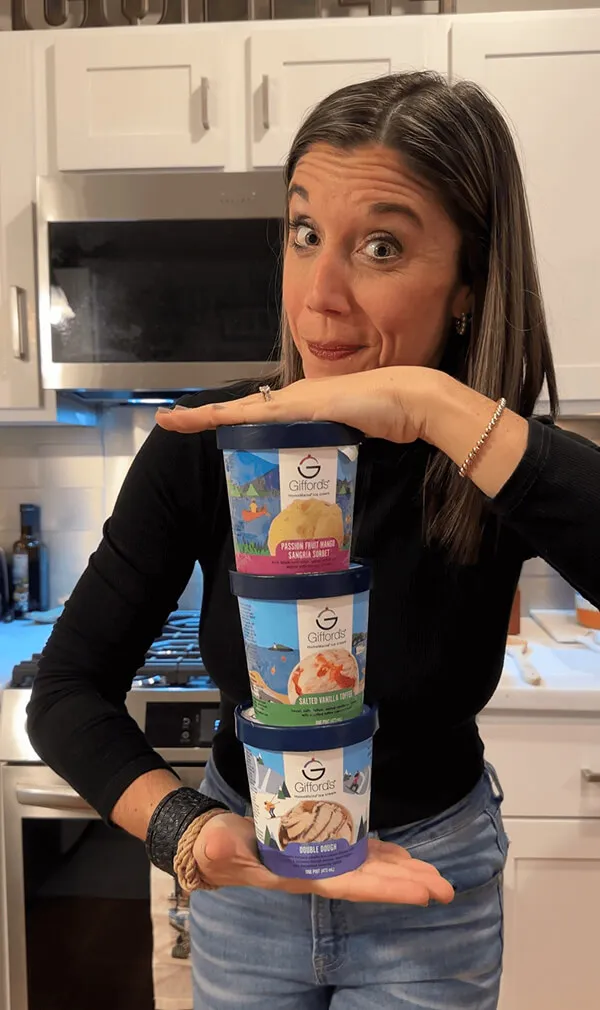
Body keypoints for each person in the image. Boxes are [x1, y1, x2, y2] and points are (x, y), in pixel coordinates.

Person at [28, 71, 600, 1010]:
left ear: (469, 283)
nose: (320, 296)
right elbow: (65, 692)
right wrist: (188, 833)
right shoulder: (213, 446)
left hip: (431, 889)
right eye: (304, 233)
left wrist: (431, 406)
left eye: (381, 246)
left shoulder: (487, 457)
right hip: (246, 883)